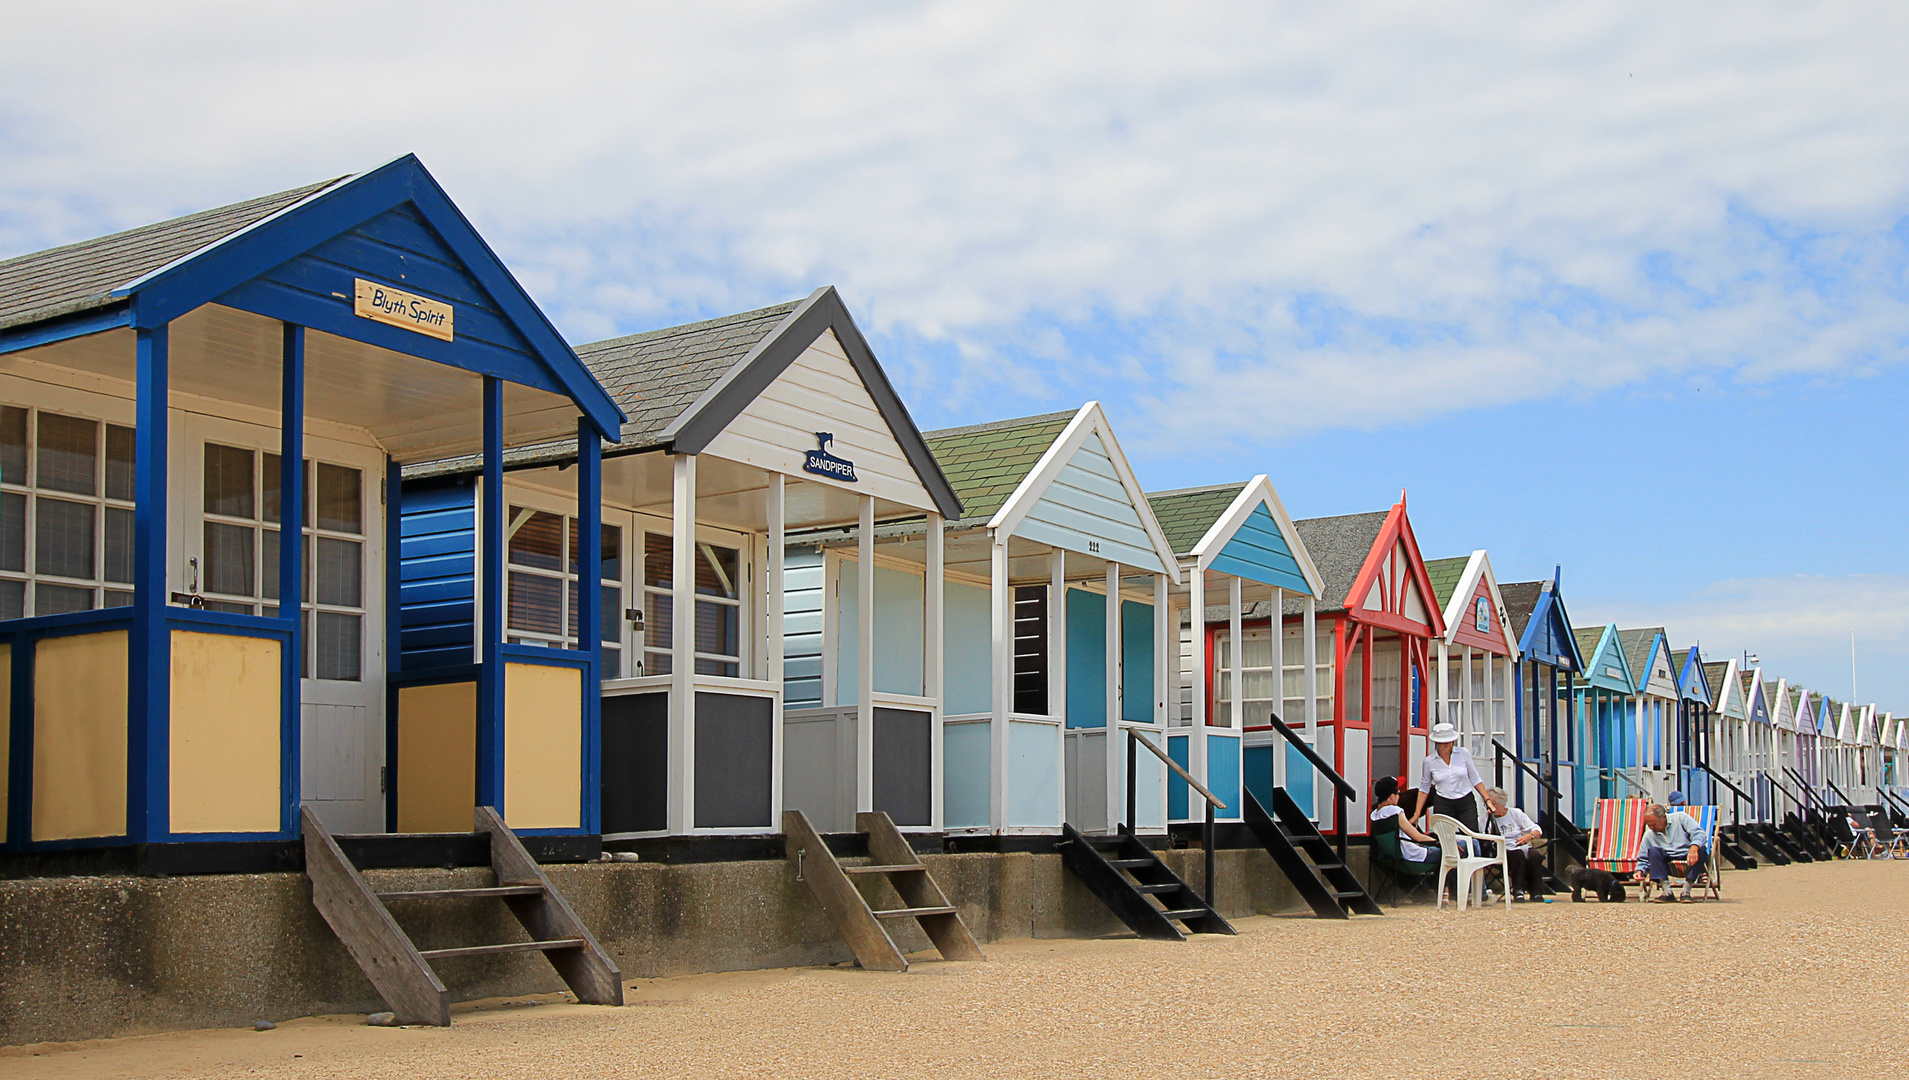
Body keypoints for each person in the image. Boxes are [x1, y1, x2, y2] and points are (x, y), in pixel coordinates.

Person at [1414, 722, 1489, 831]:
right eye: (1444, 742)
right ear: (1437, 742)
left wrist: (1487, 799)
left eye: (1450, 741)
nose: (1448, 744)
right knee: (1445, 837)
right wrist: (1417, 813)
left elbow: (1475, 778)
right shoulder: (1429, 761)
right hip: (1443, 802)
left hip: (1465, 801)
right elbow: (1424, 787)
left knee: (1471, 835)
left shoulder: (1463, 753)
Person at [1485, 787, 1550, 903]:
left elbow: (1536, 829)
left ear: (1502, 803)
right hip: (1503, 851)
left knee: (1535, 855)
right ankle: (1518, 891)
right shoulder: (1486, 819)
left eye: (1494, 804)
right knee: (1517, 854)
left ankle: (1537, 892)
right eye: (1489, 804)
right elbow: (1482, 836)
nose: (1492, 808)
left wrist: (1529, 836)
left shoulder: (1515, 813)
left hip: (1521, 846)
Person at [1634, 803, 1709, 902]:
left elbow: (1700, 834)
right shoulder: (1649, 834)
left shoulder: (1680, 818)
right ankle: (1667, 892)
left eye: (1654, 824)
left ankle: (1686, 891)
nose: (1651, 827)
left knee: (1701, 848)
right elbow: (1643, 857)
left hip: (1689, 856)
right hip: (1667, 863)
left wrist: (1694, 847)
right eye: (1648, 825)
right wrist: (1639, 871)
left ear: (1663, 817)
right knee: (1653, 851)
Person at [1372, 775, 1442, 862]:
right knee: (1460, 847)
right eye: (1398, 793)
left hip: (1393, 856)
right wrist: (1440, 843)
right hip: (1414, 856)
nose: (1399, 796)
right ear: (1392, 797)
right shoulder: (1395, 811)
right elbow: (1419, 838)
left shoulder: (1374, 815)